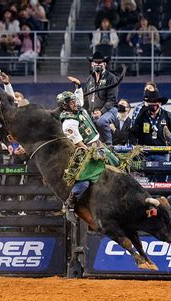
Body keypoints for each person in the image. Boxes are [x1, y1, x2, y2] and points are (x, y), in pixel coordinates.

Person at [57, 88, 101, 222]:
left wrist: (77, 87)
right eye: (72, 103)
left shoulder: (79, 109)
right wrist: (92, 152)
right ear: (65, 106)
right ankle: (70, 204)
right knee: (84, 181)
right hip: (85, 152)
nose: (75, 103)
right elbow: (78, 143)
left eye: (74, 101)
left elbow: (79, 98)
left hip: (99, 145)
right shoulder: (69, 123)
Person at [130, 90, 171, 160]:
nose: (153, 104)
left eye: (155, 102)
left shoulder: (167, 116)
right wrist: (134, 146)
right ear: (148, 104)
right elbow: (133, 132)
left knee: (162, 170)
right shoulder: (142, 115)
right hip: (145, 154)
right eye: (151, 102)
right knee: (144, 170)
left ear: (160, 103)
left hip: (162, 154)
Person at [83, 51, 119, 145]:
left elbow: (112, 100)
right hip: (94, 112)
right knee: (85, 123)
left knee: (102, 121)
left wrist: (101, 112)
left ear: (105, 64)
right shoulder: (89, 79)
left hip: (110, 110)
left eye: (100, 62)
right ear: (92, 64)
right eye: (95, 62)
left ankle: (109, 145)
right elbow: (86, 99)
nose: (97, 64)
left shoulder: (111, 78)